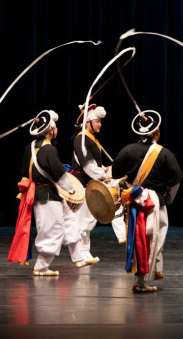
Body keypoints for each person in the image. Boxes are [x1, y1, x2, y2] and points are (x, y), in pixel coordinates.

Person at [8, 110, 98, 276]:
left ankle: (79, 257)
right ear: (50, 131)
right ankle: (41, 267)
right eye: (55, 127)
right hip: (47, 195)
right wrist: (71, 189)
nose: (56, 129)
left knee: (70, 220)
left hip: (48, 193)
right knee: (53, 230)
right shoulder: (48, 149)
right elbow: (60, 175)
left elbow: (24, 171)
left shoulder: (30, 147)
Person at [114, 110, 183, 293]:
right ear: (157, 132)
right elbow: (175, 182)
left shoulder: (126, 151)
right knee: (154, 241)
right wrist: (167, 199)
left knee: (138, 239)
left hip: (134, 202)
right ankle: (142, 281)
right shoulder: (165, 153)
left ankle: (146, 275)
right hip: (155, 202)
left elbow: (115, 175)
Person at [70, 104, 109, 261]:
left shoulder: (90, 138)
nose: (100, 124)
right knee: (81, 221)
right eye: (97, 121)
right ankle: (80, 253)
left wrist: (105, 169)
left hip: (90, 183)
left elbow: (95, 164)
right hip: (82, 183)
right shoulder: (81, 138)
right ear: (88, 122)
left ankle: (85, 251)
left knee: (87, 221)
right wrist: (103, 176)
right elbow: (87, 165)